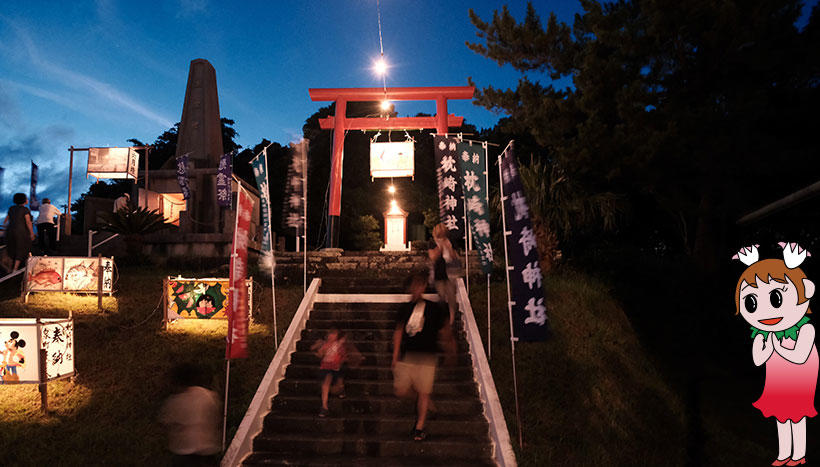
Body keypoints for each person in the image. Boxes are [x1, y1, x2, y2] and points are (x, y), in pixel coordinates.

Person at [733, 243, 817, 466]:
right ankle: (783, 454)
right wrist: (767, 346)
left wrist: (777, 347)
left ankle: (798, 455)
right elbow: (758, 359)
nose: (765, 312)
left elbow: (800, 356)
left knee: (797, 417)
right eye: (751, 303)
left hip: (800, 380)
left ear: (806, 291)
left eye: (776, 299)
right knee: (782, 416)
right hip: (777, 380)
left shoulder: (806, 329)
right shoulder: (762, 334)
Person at [392, 271, 457, 441]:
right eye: (413, 286)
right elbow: (398, 332)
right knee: (401, 390)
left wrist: (451, 350)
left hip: (428, 356)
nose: (415, 289)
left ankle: (419, 427)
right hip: (408, 355)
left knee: (423, 392)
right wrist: (395, 355)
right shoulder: (405, 309)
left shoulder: (434, 308)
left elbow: (445, 331)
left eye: (418, 285)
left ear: (423, 287)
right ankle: (429, 404)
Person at [159, 362, 221, 465]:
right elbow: (215, 418)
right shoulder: (207, 395)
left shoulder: (176, 400)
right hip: (207, 451)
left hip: (185, 454)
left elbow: (167, 421)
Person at [311, 325, 362, 417]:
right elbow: (320, 354)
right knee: (326, 383)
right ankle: (324, 406)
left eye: (333, 334)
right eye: (329, 334)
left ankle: (340, 390)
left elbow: (344, 355)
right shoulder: (325, 344)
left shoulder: (339, 345)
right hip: (326, 368)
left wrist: (344, 359)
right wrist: (318, 351)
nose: (330, 336)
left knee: (337, 387)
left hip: (336, 368)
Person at [428, 223, 460, 324]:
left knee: (451, 297)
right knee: (441, 296)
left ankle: (451, 318)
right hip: (439, 273)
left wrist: (449, 247)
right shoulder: (432, 243)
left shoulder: (450, 242)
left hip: (451, 273)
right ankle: (443, 317)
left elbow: (455, 257)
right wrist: (440, 247)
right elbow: (433, 257)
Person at [2, 193, 35, 272]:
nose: (27, 200)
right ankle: (15, 269)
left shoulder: (11, 208)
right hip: (21, 231)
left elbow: (5, 221)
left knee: (12, 248)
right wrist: (31, 233)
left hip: (10, 231)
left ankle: (9, 269)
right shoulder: (25, 209)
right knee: (21, 249)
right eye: (26, 198)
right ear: (24, 200)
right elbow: (28, 222)